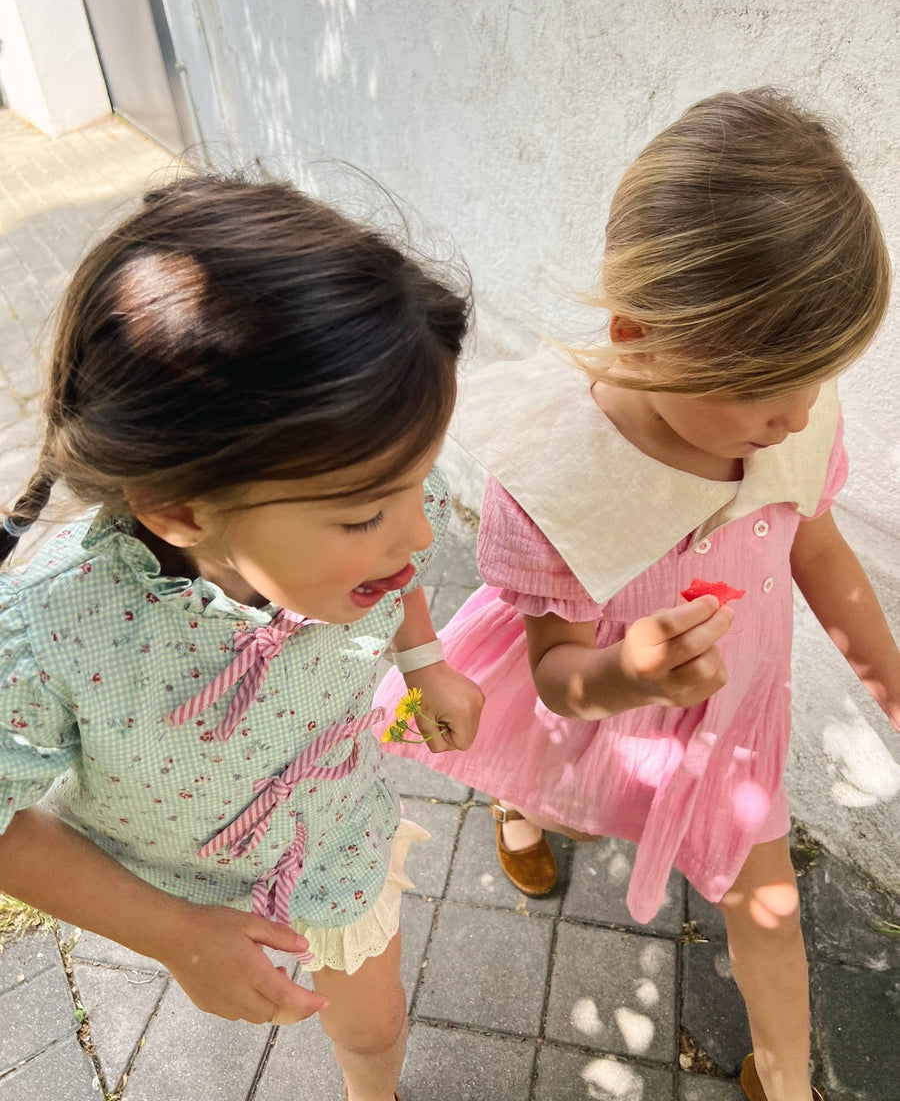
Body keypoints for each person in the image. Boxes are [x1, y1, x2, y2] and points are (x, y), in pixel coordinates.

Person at [376, 89, 899, 1101]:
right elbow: (556, 676)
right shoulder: (557, 484)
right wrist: (624, 673)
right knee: (532, 763)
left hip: (733, 734)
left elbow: (818, 550)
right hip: (608, 707)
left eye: (821, 378)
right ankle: (518, 815)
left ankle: (783, 1078)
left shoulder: (790, 420)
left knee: (770, 905)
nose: (797, 418)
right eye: (767, 387)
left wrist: (892, 680)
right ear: (639, 335)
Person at [0, 174, 483, 1101]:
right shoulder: (54, 629)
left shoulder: (352, 537)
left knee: (376, 1028)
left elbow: (400, 581)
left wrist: (427, 660)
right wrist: (175, 934)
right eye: (366, 514)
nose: (419, 535)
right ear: (180, 509)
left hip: (336, 848)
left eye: (419, 487)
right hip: (186, 888)